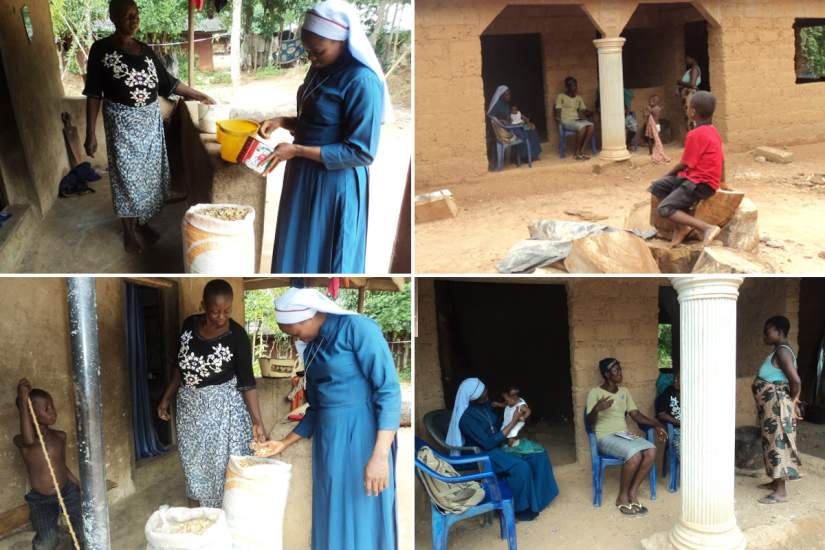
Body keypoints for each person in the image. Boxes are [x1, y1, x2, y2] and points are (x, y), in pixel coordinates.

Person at [253, 288, 401, 550]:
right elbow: (317, 407)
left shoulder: (358, 329)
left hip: (363, 436)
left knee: (362, 507)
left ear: (308, 317)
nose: (293, 340)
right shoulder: (312, 347)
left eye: (294, 333)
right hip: (330, 442)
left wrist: (379, 456)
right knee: (332, 508)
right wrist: (282, 443)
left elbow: (388, 391)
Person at [259, 0, 392, 274]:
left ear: (342, 41)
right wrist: (283, 122)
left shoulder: (361, 81)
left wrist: (297, 151)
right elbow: (319, 120)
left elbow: (361, 152)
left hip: (334, 182)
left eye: (317, 51)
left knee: (323, 250)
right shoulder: (319, 68)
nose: (312, 58)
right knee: (297, 245)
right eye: (308, 51)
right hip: (303, 176)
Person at [83, 0, 215, 254]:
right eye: (128, 14)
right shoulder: (101, 49)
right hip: (121, 125)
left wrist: (199, 95)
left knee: (149, 179)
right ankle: (129, 232)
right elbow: (93, 94)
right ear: (113, 17)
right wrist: (90, 134)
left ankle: (142, 222)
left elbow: (169, 84)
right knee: (126, 178)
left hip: (149, 126)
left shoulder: (145, 50)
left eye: (137, 14)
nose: (134, 19)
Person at [157, 279, 267, 508]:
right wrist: (166, 398)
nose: (220, 317)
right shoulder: (189, 325)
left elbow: (247, 383)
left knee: (220, 468)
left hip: (222, 413)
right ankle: (198, 520)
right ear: (203, 305)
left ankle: (225, 519)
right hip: (190, 410)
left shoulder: (237, 336)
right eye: (215, 311)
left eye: (227, 311)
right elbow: (181, 367)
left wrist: (257, 422)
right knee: (193, 464)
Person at [447, 378, 559, 521]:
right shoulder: (466, 419)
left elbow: (499, 420)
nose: (487, 393)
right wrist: (513, 421)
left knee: (538, 455)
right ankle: (518, 509)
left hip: (499, 444)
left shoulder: (485, 406)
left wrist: (519, 413)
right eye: (483, 392)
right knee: (521, 467)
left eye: (485, 389)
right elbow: (487, 443)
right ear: (473, 397)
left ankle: (537, 501)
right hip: (484, 453)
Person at [648, 91, 730, 247]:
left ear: (692, 112)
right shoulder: (713, 130)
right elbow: (722, 159)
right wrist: (723, 181)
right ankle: (682, 227)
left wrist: (667, 174)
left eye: (688, 107)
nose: (687, 109)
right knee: (657, 187)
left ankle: (706, 227)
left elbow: (684, 163)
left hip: (700, 184)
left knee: (664, 209)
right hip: (695, 179)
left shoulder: (695, 134)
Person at [586, 358, 667, 517]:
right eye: (616, 371)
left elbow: (636, 415)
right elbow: (589, 423)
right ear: (607, 374)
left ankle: (632, 492)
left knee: (651, 450)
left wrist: (656, 424)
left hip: (622, 435)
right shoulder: (595, 393)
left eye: (620, 370)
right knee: (635, 456)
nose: (620, 373)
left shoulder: (624, 392)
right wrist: (596, 409)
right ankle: (621, 497)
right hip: (605, 437)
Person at [14, 379, 83, 549]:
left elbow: (61, 466)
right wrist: (24, 401)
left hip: (67, 491)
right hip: (41, 500)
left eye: (52, 406)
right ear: (30, 414)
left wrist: (77, 483)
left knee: (83, 528)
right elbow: (30, 440)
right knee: (46, 542)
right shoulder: (23, 442)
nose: (53, 412)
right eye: (46, 409)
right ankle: (55, 533)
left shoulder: (60, 436)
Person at [753, 316, 803, 504]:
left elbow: (796, 381)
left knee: (778, 443)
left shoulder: (783, 352)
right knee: (770, 442)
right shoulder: (778, 351)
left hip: (777, 407)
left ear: (779, 332)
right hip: (771, 407)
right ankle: (775, 482)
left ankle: (780, 492)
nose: (764, 336)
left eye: (767, 331)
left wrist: (793, 401)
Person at [486, 85, 542, 164]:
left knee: (532, 130)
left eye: (509, 94)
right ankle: (522, 157)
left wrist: (525, 121)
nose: (509, 96)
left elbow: (512, 116)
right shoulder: (496, 105)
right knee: (523, 134)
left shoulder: (505, 104)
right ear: (501, 96)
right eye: (507, 94)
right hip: (504, 130)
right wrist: (500, 121)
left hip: (512, 125)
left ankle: (533, 155)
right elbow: (491, 116)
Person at [555, 77, 594, 160]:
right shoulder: (561, 96)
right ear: (567, 87)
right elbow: (557, 109)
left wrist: (592, 113)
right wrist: (558, 120)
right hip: (566, 121)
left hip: (576, 121)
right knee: (582, 128)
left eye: (575, 85)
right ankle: (576, 153)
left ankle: (581, 151)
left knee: (591, 126)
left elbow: (583, 110)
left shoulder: (578, 98)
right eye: (572, 85)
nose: (575, 87)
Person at [655, 371, 680, 459]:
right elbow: (661, 414)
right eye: (675, 378)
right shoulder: (669, 391)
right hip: (677, 431)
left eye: (678, 379)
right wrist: (678, 422)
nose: (675, 381)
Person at [677, 56, 702, 132]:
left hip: (690, 94)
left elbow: (692, 84)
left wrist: (679, 82)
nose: (686, 61)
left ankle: (693, 137)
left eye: (687, 59)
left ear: (693, 58)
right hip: (688, 94)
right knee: (690, 115)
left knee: (690, 116)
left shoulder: (694, 69)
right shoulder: (692, 69)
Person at [644, 95, 671, 164]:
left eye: (652, 100)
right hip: (656, 125)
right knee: (656, 138)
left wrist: (649, 109)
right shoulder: (657, 108)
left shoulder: (654, 109)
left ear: (655, 101)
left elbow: (647, 115)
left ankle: (652, 152)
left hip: (653, 125)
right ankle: (656, 150)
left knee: (652, 139)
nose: (650, 102)